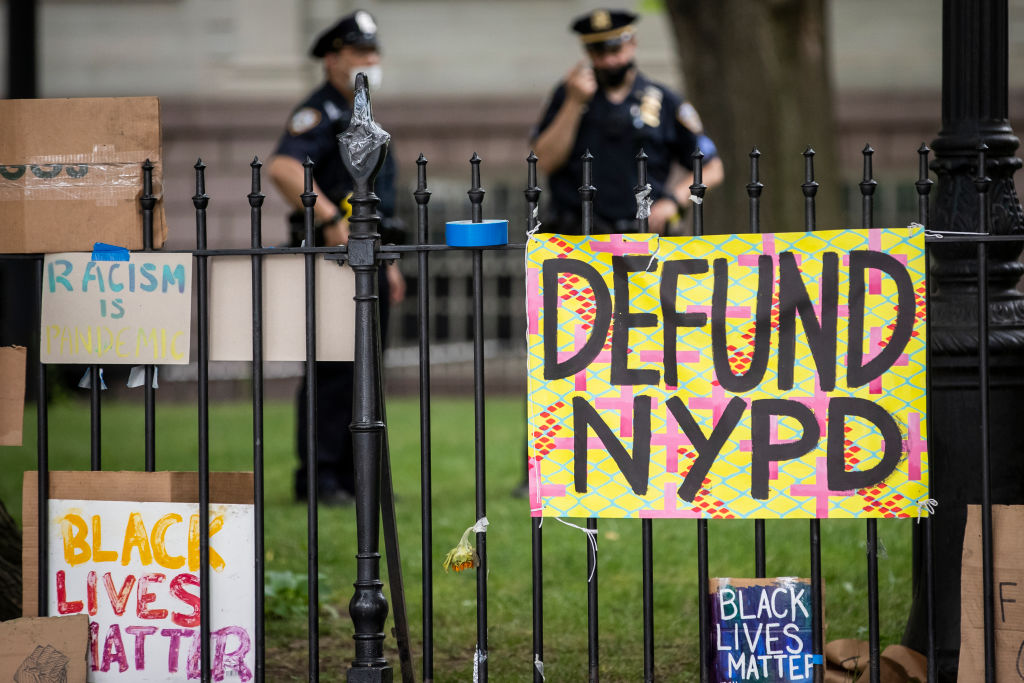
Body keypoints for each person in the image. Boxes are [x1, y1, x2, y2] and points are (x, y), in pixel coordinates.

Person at [269, 9, 405, 505]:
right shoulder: (319, 112)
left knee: (364, 371)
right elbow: (284, 168)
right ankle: (320, 477)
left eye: (373, 53)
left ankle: (355, 477)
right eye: (358, 53)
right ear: (332, 59)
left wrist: (389, 261)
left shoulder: (363, 114)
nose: (369, 61)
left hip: (368, 259)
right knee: (332, 370)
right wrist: (331, 223)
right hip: (330, 261)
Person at [531, 8, 724, 235]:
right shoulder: (567, 95)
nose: (609, 60)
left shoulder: (665, 101)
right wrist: (574, 103)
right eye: (598, 52)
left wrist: (674, 200)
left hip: (641, 236)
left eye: (615, 49)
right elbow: (544, 161)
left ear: (632, 43)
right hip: (575, 237)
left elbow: (712, 168)